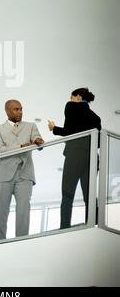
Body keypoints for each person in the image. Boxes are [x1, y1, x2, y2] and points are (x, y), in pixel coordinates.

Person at [48, 87, 101, 229]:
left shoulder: (71, 106)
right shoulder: (96, 117)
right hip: (91, 156)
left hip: (75, 154)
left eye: (71, 98)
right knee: (89, 195)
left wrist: (54, 128)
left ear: (77, 97)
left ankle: (64, 227)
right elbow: (99, 142)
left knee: (67, 193)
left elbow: (69, 131)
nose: (70, 100)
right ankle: (92, 225)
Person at [0, 99, 44, 240]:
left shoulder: (31, 126)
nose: (20, 112)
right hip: (3, 174)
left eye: (21, 109)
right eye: (16, 109)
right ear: (7, 111)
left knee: (24, 210)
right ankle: (0, 243)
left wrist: (38, 140)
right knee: (0, 212)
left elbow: (37, 139)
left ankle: (21, 242)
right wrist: (20, 147)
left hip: (25, 174)